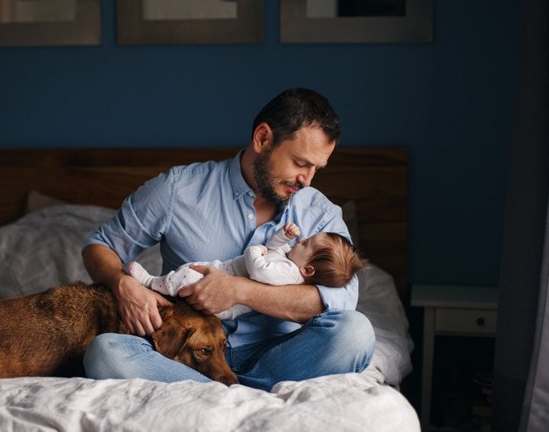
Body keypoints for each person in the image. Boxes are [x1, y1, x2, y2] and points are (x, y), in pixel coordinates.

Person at [81, 87, 375, 391]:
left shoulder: (320, 213)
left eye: (317, 168)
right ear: (262, 139)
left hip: (280, 355)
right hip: (185, 356)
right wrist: (122, 285)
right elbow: (99, 246)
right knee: (105, 353)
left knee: (356, 333)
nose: (308, 180)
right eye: (300, 163)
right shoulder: (177, 189)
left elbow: (340, 302)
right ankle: (243, 395)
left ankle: (211, 394)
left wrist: (239, 291)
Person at [126, 223, 367, 320]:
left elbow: (260, 269)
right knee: (189, 272)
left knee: (187, 276)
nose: (299, 241)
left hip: (227, 301)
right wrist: (282, 237)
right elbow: (274, 250)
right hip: (222, 273)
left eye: (304, 244)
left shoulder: (288, 273)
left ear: (308, 269)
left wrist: (255, 250)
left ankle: (150, 282)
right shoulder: (290, 262)